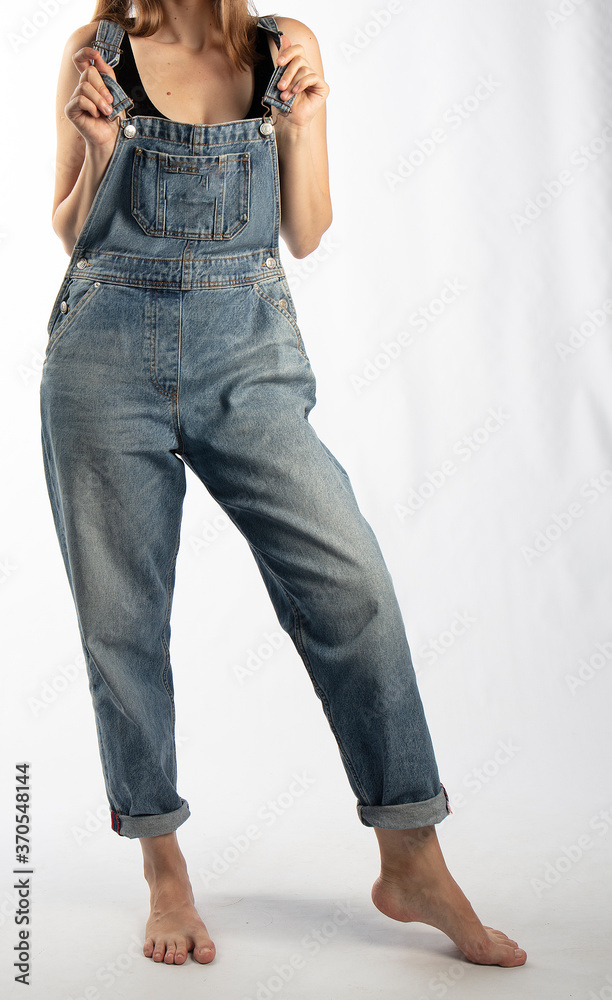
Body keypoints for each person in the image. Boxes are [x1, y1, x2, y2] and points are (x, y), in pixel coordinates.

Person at [41, 0, 527, 970]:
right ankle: (164, 872)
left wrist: (303, 122)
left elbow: (304, 230)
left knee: (349, 586)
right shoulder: (94, 52)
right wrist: (97, 148)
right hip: (105, 358)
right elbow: (71, 232)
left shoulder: (281, 47)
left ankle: (410, 856)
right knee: (123, 623)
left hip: (248, 357)